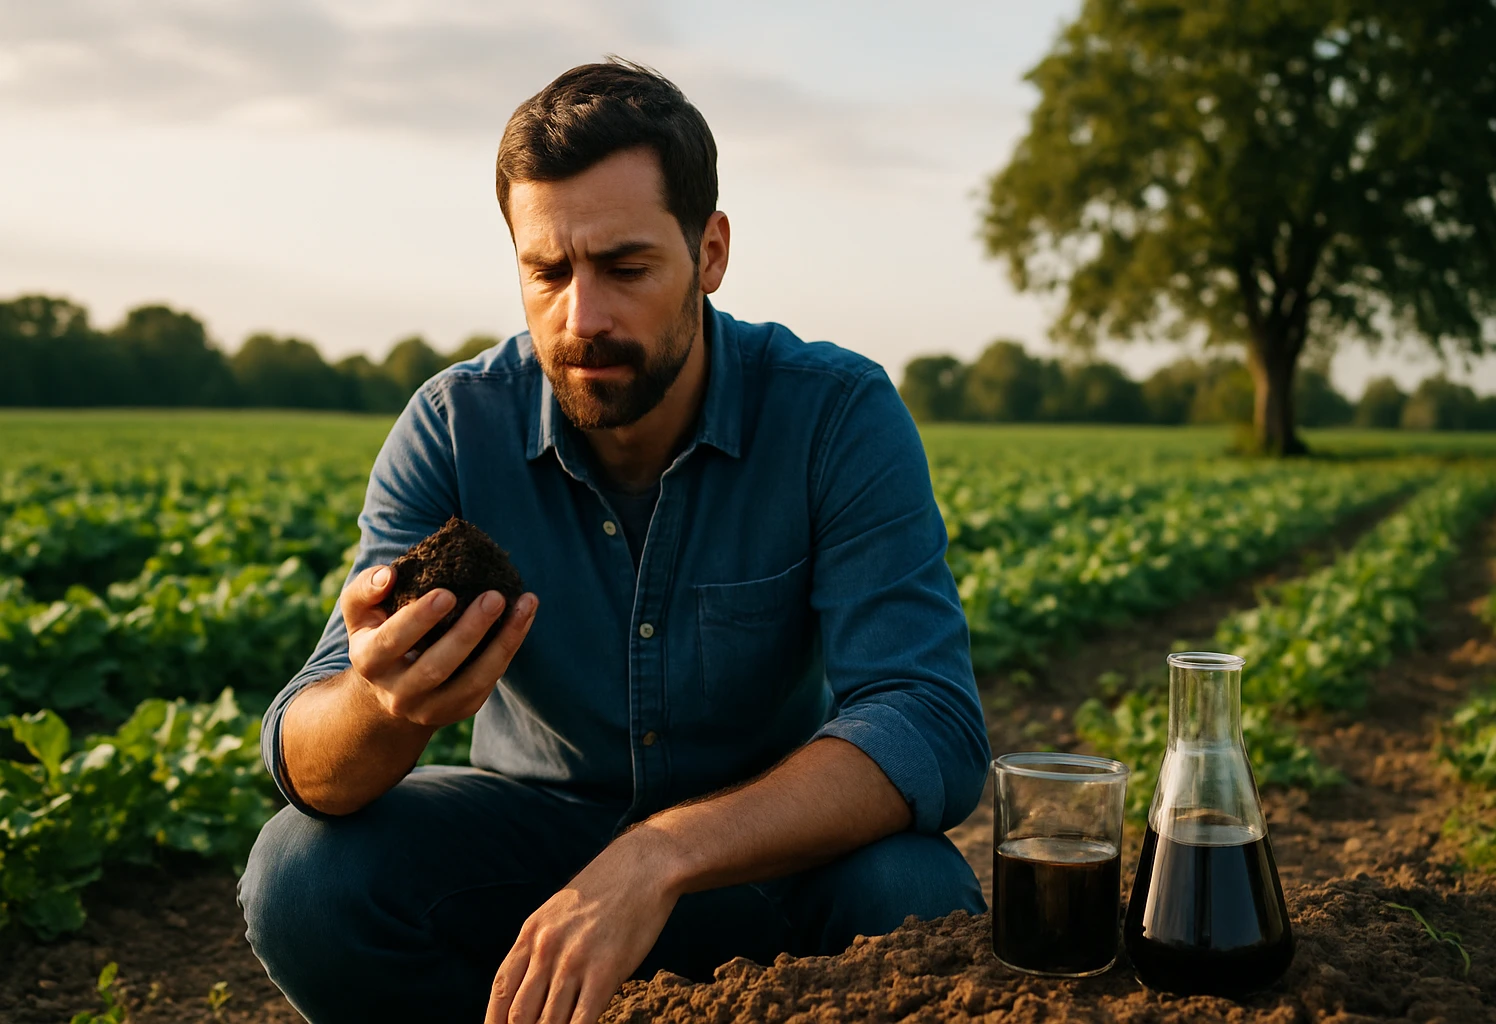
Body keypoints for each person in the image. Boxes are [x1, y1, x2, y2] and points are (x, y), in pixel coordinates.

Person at [237, 57, 989, 1024]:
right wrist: (382, 703)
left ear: (709, 253)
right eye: (547, 272)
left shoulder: (835, 415)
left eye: (626, 269)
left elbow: (927, 717)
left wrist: (660, 854)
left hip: (768, 859)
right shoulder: (456, 428)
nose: (582, 319)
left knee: (913, 895)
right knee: (304, 874)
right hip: (533, 870)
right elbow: (305, 753)